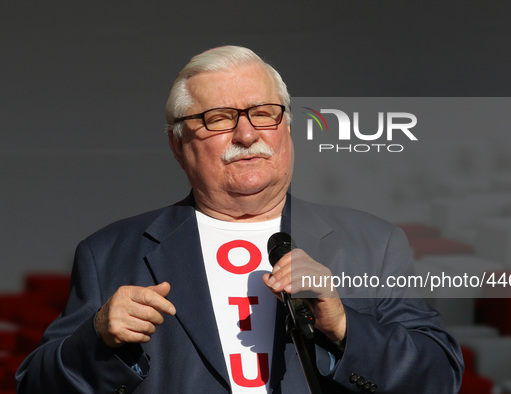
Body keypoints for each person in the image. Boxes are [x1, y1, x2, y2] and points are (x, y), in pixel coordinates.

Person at [16, 45, 463, 393]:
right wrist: (98, 340)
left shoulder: (373, 243)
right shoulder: (108, 252)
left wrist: (344, 326)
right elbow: (36, 386)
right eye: (218, 119)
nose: (247, 134)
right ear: (177, 143)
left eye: (263, 114)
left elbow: (438, 376)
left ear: (286, 128)